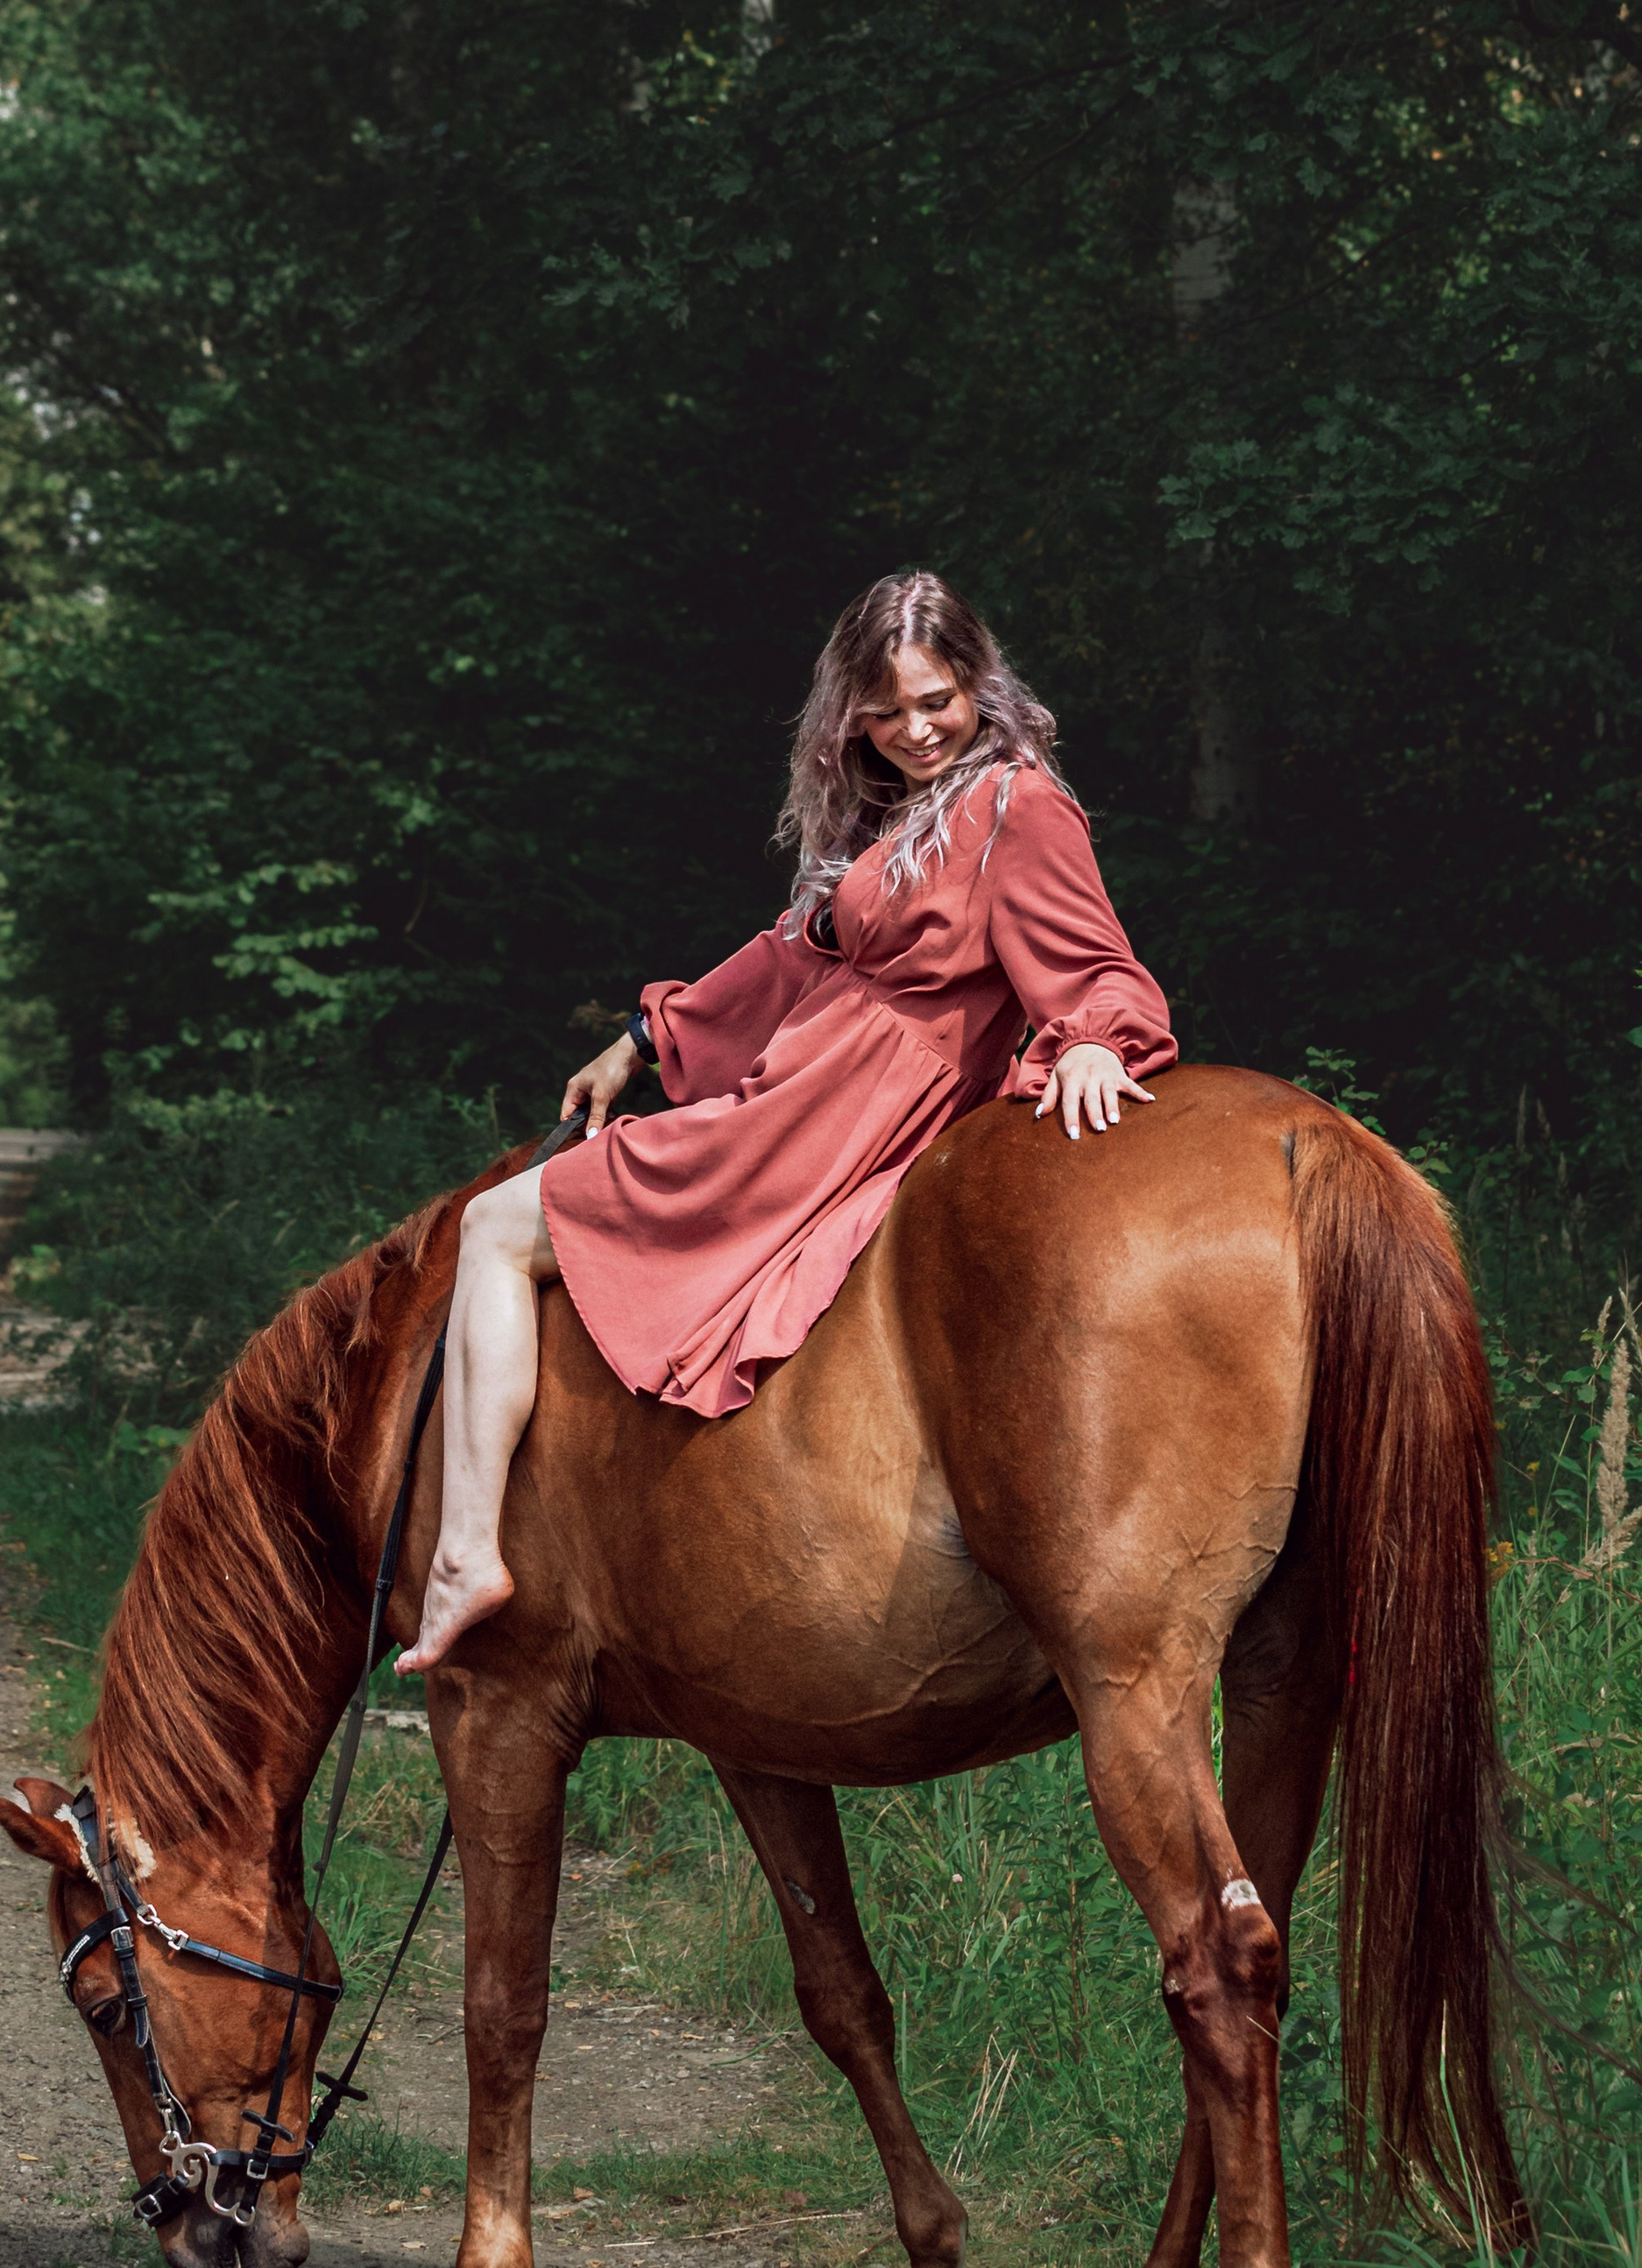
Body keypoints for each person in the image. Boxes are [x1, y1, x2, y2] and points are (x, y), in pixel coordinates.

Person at [394, 569, 1178, 1672]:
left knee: (495, 1228)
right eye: (886, 710)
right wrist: (640, 1035)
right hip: (804, 1087)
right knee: (505, 1223)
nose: (915, 729)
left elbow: (1096, 961)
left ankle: (466, 1552)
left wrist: (1094, 1035)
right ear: (848, 714)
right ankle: (480, 1543)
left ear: (978, 685)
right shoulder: (898, 816)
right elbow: (788, 954)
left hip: (836, 1111)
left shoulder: (1014, 803)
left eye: (937, 700)